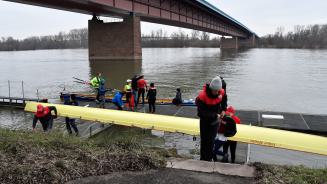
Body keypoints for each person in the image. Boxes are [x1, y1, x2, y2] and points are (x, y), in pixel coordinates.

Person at [196, 76, 227, 161]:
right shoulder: (202, 96)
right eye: (215, 91)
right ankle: (203, 159)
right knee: (204, 141)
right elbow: (200, 113)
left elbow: (224, 99)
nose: (216, 93)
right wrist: (214, 115)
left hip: (215, 121)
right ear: (211, 88)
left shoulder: (221, 92)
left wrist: (224, 109)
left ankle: (208, 159)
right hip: (205, 121)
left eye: (218, 91)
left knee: (211, 141)